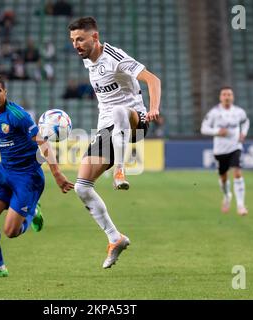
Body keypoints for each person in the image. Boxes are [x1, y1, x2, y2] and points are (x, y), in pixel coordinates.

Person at [68, 17, 161, 268]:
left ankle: (120, 169)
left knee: (120, 110)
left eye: (80, 39)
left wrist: (153, 109)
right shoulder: (88, 59)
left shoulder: (114, 56)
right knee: (82, 187)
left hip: (135, 120)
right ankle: (115, 238)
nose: (76, 44)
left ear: (95, 37)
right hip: (107, 130)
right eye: (73, 40)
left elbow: (153, 80)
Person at [0, 74, 74, 279]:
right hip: (3, 172)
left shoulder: (18, 116)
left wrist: (57, 173)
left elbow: (43, 143)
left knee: (11, 232)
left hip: (28, 176)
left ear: (5, 92)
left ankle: (33, 211)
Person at [201, 86, 250, 216]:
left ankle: (240, 206)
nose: (227, 97)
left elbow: (246, 122)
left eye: (229, 94)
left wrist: (243, 133)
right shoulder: (214, 113)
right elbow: (204, 128)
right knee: (223, 178)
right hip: (220, 150)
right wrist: (217, 131)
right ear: (220, 97)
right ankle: (227, 195)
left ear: (232, 97)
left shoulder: (239, 112)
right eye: (224, 94)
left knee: (237, 172)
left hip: (235, 147)